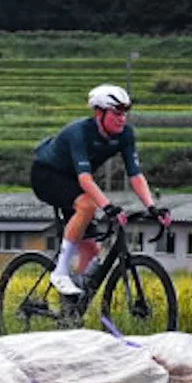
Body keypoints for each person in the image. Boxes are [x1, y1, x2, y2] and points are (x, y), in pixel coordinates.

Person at [29, 84, 170, 298]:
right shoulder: (79, 133)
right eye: (116, 113)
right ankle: (60, 273)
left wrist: (151, 207)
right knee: (87, 205)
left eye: (124, 113)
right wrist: (108, 206)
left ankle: (72, 305)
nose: (122, 119)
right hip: (46, 174)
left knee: (92, 249)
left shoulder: (125, 135)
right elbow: (85, 179)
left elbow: (136, 175)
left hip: (73, 180)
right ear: (99, 113)